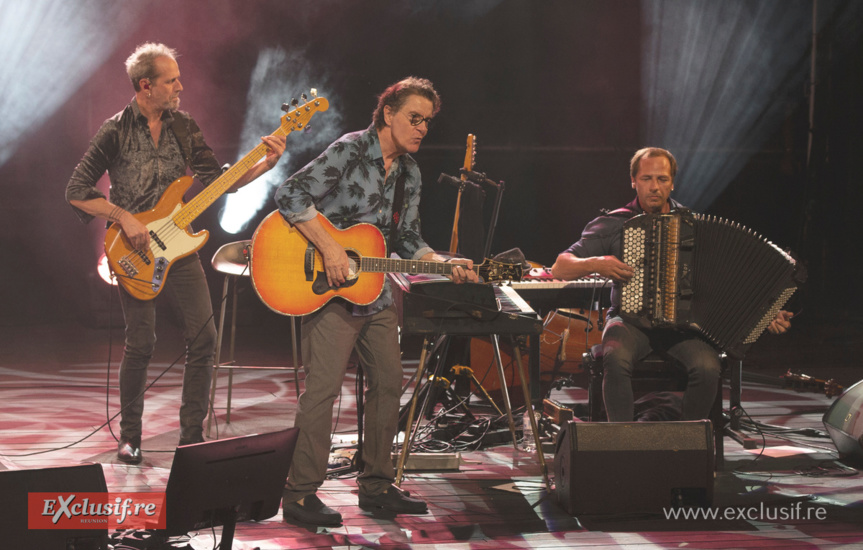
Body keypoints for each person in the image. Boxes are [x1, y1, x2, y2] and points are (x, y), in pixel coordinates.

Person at [65, 43, 286, 464]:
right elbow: (76, 191)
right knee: (141, 342)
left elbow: (219, 180)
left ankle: (191, 436)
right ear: (146, 85)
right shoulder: (114, 130)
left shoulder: (183, 125)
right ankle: (130, 438)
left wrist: (265, 165)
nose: (180, 86)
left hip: (180, 248)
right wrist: (122, 217)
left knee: (204, 338)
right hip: (132, 249)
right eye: (171, 80)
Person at [274, 77, 478, 526]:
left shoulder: (410, 173)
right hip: (329, 291)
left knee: (388, 384)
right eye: (414, 118)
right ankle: (300, 493)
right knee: (323, 391)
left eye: (428, 121)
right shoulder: (351, 150)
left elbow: (406, 238)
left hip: (377, 293)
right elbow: (289, 193)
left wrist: (442, 262)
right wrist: (329, 247)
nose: (422, 128)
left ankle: (377, 485)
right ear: (388, 113)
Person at [551, 147, 792, 422]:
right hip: (629, 322)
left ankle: (687, 446)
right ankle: (622, 445)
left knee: (708, 367)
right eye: (646, 179)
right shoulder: (614, 223)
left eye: (662, 179)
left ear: (672, 182)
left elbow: (723, 282)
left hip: (682, 328)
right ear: (633, 181)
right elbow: (561, 266)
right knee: (615, 358)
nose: (654, 187)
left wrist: (764, 312)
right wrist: (596, 263)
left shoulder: (693, 225)